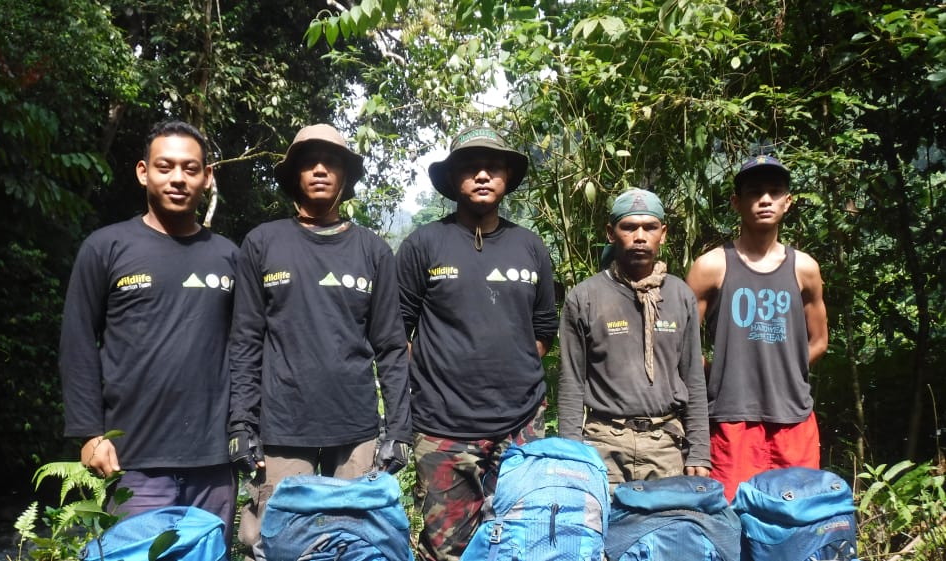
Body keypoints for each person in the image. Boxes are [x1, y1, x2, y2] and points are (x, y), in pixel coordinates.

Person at [227, 124, 412, 559]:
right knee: (275, 543)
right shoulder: (263, 243)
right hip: (282, 429)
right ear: (294, 175)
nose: (320, 170)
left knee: (357, 542)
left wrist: (400, 428)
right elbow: (246, 341)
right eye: (308, 162)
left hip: (357, 431)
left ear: (345, 176)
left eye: (331, 162)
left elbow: (390, 345)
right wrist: (241, 424)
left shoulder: (372, 251)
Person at [59, 120, 239, 545]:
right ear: (144, 172)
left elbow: (247, 350)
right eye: (165, 166)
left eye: (190, 168)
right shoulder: (106, 248)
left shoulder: (230, 257)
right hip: (131, 458)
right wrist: (88, 434)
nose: (178, 178)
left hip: (213, 460)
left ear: (207, 177)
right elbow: (78, 343)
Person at [396, 126, 558, 561]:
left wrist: (509, 370)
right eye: (470, 167)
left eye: (493, 166)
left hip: (520, 425)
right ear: (453, 180)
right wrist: (440, 376)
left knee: (521, 541)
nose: (482, 175)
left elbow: (544, 331)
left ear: (507, 177)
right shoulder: (423, 244)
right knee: (446, 549)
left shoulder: (530, 247)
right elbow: (398, 333)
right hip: (442, 428)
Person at [686, 154, 829, 502]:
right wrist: (716, 373)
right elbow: (681, 341)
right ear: (737, 202)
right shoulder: (711, 266)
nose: (764, 200)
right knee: (734, 515)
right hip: (730, 418)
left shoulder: (805, 268)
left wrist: (787, 372)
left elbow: (820, 340)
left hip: (792, 417)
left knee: (796, 517)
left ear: (787, 201)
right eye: (754, 192)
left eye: (774, 191)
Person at [559, 188, 711, 488]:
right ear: (611, 233)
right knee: (603, 531)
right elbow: (571, 382)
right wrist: (570, 452)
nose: (639, 236)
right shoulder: (585, 297)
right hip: (603, 444)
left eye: (650, 227)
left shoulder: (680, 295)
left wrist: (700, 452)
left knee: (665, 530)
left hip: (665, 445)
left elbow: (693, 377)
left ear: (663, 234)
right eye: (629, 227)